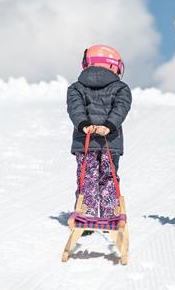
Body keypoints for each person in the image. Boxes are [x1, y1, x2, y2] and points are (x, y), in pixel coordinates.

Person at [66, 44, 132, 222]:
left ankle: (85, 214)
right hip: (111, 141)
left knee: (86, 176)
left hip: (84, 140)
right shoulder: (121, 88)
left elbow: (75, 109)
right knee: (108, 177)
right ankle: (109, 214)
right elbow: (121, 108)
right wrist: (109, 126)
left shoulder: (75, 88)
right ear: (114, 65)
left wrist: (84, 125)